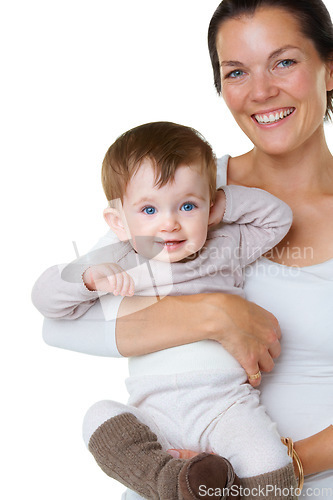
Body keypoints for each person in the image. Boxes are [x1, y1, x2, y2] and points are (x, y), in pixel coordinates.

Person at [32, 0, 333, 497]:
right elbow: (63, 322)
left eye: (285, 61)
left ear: (328, 69)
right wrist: (214, 313)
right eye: (236, 71)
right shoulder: (178, 195)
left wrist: (265, 464)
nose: (261, 91)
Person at [44, 119, 296, 498]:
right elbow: (46, 300)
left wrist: (220, 204)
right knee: (98, 417)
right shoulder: (119, 261)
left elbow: (278, 218)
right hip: (153, 413)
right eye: (148, 210)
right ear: (118, 222)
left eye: (187, 205)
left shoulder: (223, 246)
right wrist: (90, 278)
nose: (170, 224)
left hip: (224, 405)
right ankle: (170, 481)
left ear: (210, 208)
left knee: (273, 475)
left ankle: (208, 482)